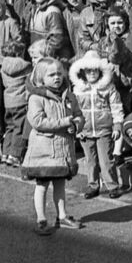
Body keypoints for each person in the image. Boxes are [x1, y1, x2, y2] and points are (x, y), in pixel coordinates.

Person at [21, 57, 83, 236]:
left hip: (62, 150)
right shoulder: (36, 98)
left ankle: (62, 216)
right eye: (51, 75)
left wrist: (76, 125)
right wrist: (64, 122)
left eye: (59, 74)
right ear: (41, 78)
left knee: (60, 184)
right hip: (43, 151)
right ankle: (41, 218)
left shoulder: (68, 95)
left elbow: (78, 115)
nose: (57, 78)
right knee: (42, 186)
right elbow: (37, 121)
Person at [70, 50, 124, 199]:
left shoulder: (108, 87)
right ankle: (93, 185)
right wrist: (77, 128)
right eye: (89, 71)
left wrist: (117, 124)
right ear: (83, 72)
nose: (92, 73)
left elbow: (116, 106)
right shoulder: (77, 90)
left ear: (100, 71)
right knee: (90, 160)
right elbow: (74, 111)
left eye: (95, 70)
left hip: (104, 129)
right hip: (86, 130)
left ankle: (112, 186)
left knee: (106, 160)